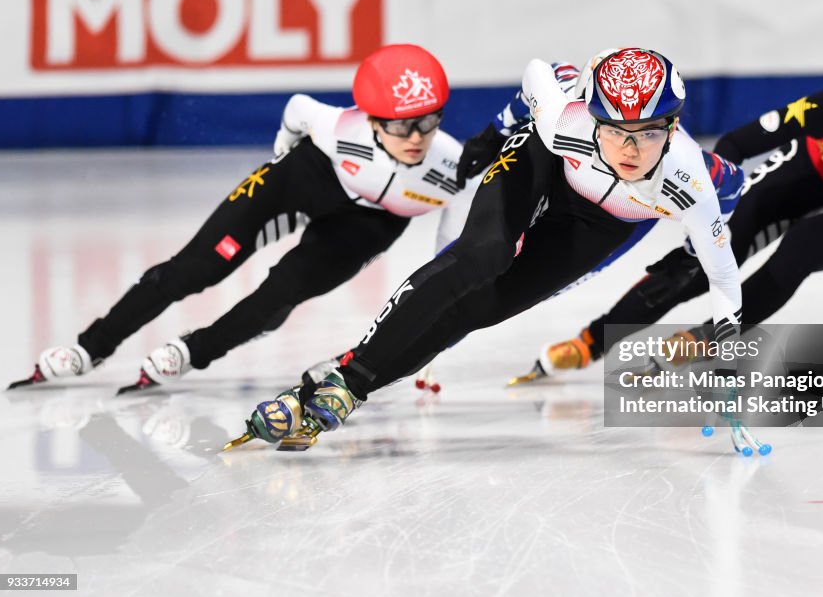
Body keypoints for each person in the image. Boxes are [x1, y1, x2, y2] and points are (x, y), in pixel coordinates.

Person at [226, 47, 765, 454]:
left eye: (647, 133)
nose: (628, 148)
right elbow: (538, 72)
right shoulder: (565, 123)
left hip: (604, 222)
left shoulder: (692, 181)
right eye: (615, 130)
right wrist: (507, 123)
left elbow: (723, 282)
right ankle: (352, 374)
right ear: (592, 118)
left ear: (673, 127)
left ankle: (350, 382)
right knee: (483, 254)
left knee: (481, 309)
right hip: (544, 164)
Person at [10, 44, 482, 394]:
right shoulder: (339, 128)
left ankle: (194, 352)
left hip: (370, 224)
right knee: (194, 269)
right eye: (401, 125)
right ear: (373, 120)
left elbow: (450, 250)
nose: (416, 137)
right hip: (308, 178)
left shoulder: (450, 170)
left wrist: (432, 326)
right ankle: (90, 348)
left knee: (279, 297)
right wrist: (280, 162)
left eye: (428, 121)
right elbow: (298, 109)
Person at [522, 24, 823, 378]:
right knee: (697, 265)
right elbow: (737, 143)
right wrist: (710, 215)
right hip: (800, 176)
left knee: (800, 251)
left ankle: (706, 339)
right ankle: (591, 342)